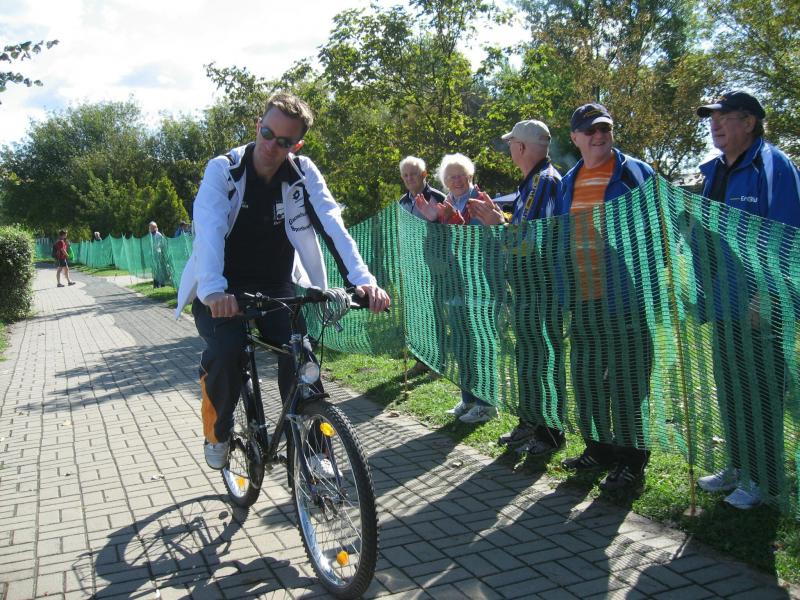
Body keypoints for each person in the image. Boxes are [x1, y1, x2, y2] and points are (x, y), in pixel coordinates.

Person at [175, 91, 390, 470]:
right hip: (222, 288)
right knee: (226, 353)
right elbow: (208, 230)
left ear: (297, 146)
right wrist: (212, 290)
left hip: (275, 287)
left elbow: (332, 225)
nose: (272, 146)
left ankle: (316, 455)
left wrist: (362, 281)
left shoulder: (303, 173)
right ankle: (218, 432)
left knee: (302, 359)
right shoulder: (224, 169)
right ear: (258, 126)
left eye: (285, 142)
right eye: (267, 134)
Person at [693, 91, 800, 509]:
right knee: (732, 390)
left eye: (724, 117)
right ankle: (738, 466)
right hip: (725, 303)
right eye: (711, 119)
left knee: (761, 393)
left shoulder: (773, 165)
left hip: (761, 305)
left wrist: (769, 294)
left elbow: (787, 235)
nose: (715, 125)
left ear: (750, 122)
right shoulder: (714, 171)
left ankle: (764, 480)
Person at [554, 103, 655, 491]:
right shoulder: (568, 182)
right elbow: (559, 238)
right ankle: (599, 450)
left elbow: (658, 230)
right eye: (590, 130)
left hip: (625, 301)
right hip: (583, 301)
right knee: (587, 379)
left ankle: (632, 462)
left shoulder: (634, 173)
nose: (599, 136)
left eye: (604, 129)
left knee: (627, 384)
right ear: (575, 138)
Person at [470, 119, 566, 455]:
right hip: (528, 288)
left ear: (521, 147)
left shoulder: (545, 182)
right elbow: (525, 228)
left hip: (541, 288)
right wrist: (502, 217)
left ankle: (549, 433)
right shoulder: (533, 182)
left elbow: (532, 241)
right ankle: (530, 421)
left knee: (543, 359)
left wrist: (498, 223)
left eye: (511, 143)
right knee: (528, 357)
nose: (509, 148)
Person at [415, 153, 499, 424]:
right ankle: (468, 399)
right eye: (451, 177)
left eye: (461, 174)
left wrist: (451, 221)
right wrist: (434, 222)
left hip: (480, 284)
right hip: (454, 283)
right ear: (445, 181)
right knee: (462, 343)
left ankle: (486, 405)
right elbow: (441, 244)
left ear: (470, 175)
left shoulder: (480, 200)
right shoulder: (447, 203)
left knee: (480, 344)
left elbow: (478, 240)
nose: (457, 180)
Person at [397, 156, 446, 377]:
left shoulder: (438, 198)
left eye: (414, 174)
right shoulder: (402, 202)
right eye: (405, 175)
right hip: (412, 267)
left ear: (424, 174)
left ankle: (439, 363)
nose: (409, 179)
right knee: (417, 314)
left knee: (435, 314)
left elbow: (446, 234)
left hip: (435, 268)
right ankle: (421, 360)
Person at [148, 221, 167, 288]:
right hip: (153, 255)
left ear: (154, 228)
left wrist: (158, 251)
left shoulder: (158, 235)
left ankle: (162, 284)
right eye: (149, 228)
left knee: (159, 270)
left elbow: (161, 245)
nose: (149, 229)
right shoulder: (151, 235)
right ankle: (155, 284)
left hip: (159, 255)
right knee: (155, 270)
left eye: (151, 228)